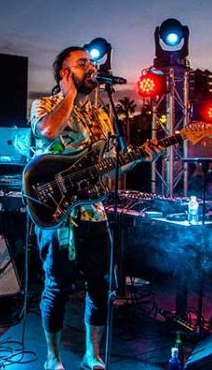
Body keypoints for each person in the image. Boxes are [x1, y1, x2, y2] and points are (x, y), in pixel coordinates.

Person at [30, 46, 157, 370]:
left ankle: (93, 355)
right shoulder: (45, 105)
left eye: (92, 63)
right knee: (58, 286)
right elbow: (48, 132)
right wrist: (69, 94)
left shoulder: (101, 115)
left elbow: (108, 168)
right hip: (58, 213)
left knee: (102, 287)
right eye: (82, 63)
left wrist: (139, 158)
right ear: (64, 72)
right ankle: (53, 358)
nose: (91, 67)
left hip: (94, 212)